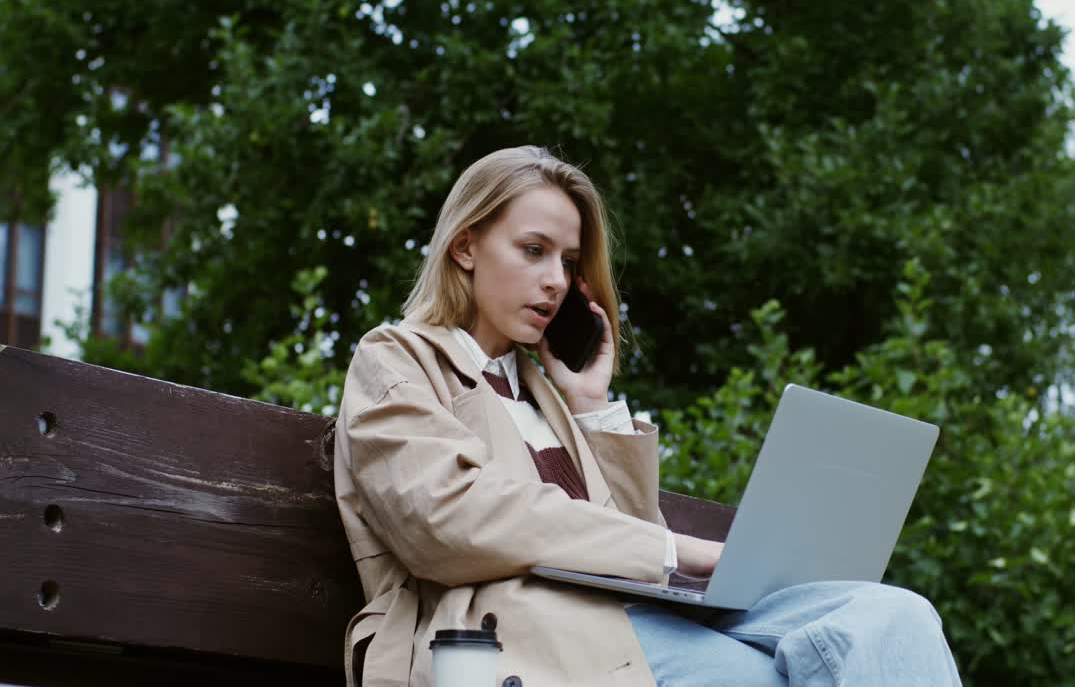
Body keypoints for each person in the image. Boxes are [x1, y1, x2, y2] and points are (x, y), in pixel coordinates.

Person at [334, 145, 963, 686]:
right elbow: (447, 520)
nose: (556, 280)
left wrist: (592, 409)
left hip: (628, 621)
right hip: (508, 637)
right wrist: (684, 550)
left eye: (570, 262)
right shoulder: (398, 358)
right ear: (466, 246)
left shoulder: (546, 392)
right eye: (534, 250)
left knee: (895, 615)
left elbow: (624, 540)